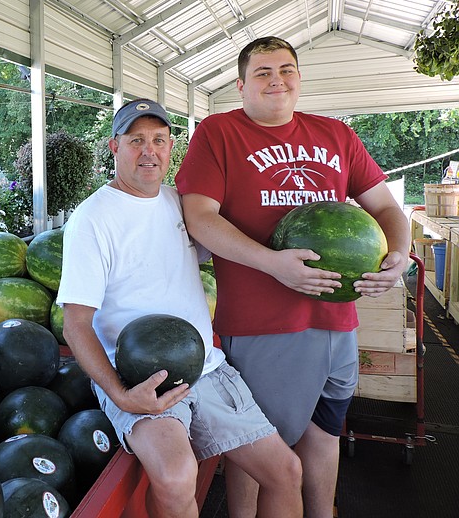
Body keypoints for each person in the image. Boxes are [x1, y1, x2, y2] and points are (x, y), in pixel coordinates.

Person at [174, 36, 411, 518]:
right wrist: (273, 263)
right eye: (262, 72)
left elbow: (385, 207)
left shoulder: (336, 135)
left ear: (299, 79)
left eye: (286, 69)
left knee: (325, 435)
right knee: (259, 452)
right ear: (241, 85)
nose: (276, 79)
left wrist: (400, 253)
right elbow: (199, 216)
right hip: (266, 325)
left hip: (338, 320)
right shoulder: (219, 133)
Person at [56, 98, 303, 518]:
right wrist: (121, 395)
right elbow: (75, 324)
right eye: (136, 140)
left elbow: (229, 243)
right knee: (174, 477)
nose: (148, 151)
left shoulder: (180, 203)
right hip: (139, 377)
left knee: (286, 472)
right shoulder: (92, 219)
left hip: (206, 367)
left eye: (158, 140)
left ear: (171, 147)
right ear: (114, 147)